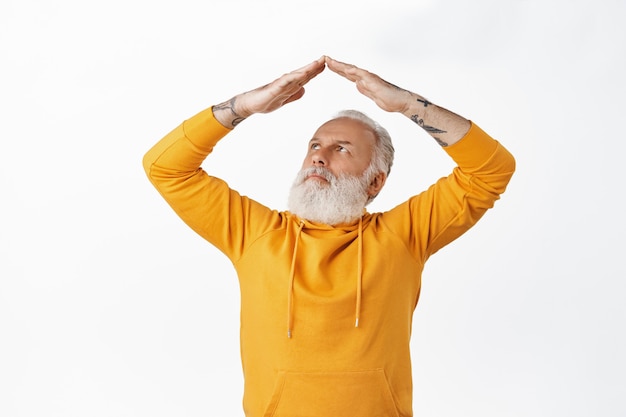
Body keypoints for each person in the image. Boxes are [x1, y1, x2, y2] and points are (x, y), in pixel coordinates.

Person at [143, 56, 515, 417]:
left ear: (375, 181)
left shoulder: (404, 236)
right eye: (315, 146)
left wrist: (406, 104)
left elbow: (491, 171)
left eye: (341, 149)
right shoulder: (254, 233)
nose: (319, 157)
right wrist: (244, 107)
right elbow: (164, 168)